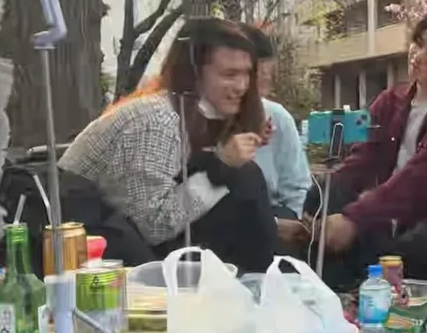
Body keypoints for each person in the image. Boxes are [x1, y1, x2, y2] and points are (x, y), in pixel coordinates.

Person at [60, 18, 279, 273]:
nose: (242, 86)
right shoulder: (157, 121)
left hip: (121, 238)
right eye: (229, 74)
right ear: (194, 74)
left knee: (245, 181)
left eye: (246, 74)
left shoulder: (194, 115)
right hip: (89, 249)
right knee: (244, 177)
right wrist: (222, 168)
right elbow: (152, 226)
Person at [311, 7, 427, 290]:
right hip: (395, 222)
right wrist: (328, 199)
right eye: (418, 44)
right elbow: (362, 159)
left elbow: (419, 178)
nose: (419, 56)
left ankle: (363, 282)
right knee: (328, 192)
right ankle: (329, 287)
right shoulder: (389, 100)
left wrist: (354, 218)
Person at [243, 25, 313, 228]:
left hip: (277, 214)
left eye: (267, 73)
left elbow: (297, 188)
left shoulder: (278, 117)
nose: (264, 78)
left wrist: (293, 224)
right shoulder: (205, 120)